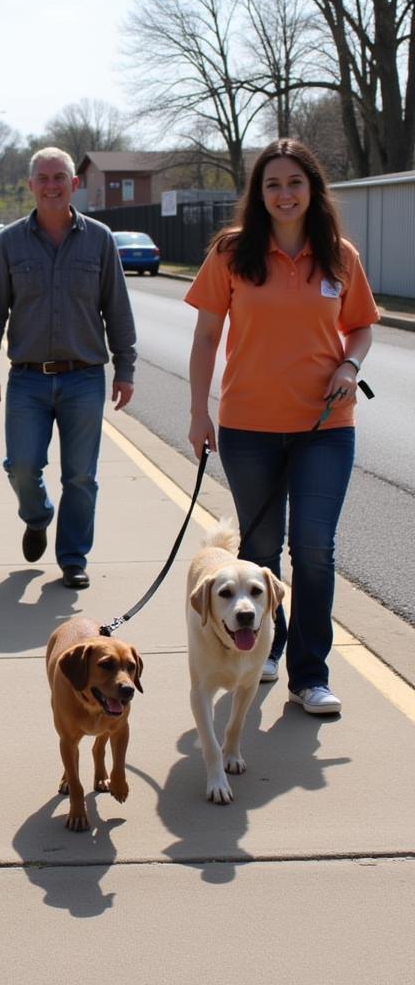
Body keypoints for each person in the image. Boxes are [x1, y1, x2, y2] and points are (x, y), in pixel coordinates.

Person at [186, 138, 378, 716]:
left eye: (295, 182)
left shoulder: (339, 256)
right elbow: (204, 338)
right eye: (273, 184)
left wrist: (349, 363)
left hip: (325, 426)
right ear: (259, 193)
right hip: (249, 427)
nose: (285, 194)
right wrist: (199, 412)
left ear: (312, 189)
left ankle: (309, 675)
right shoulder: (231, 252)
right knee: (262, 550)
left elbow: (363, 327)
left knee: (314, 548)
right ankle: (264, 646)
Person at [0, 147, 136, 589]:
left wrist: (126, 367)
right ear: (30, 186)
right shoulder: (9, 242)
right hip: (27, 378)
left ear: (74, 184)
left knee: (81, 475)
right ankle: (37, 515)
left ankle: (73, 557)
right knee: (22, 466)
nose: (51, 185)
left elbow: (117, 308)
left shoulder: (99, 239)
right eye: (43, 178)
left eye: (59, 177)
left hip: (84, 378)